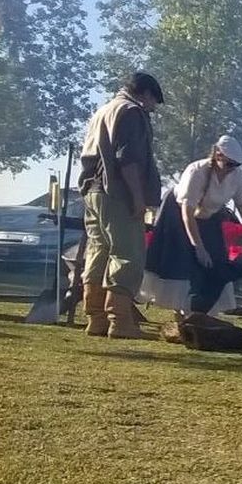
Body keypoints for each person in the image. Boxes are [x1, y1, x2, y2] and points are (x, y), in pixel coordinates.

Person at [77, 71, 165, 338]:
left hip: (93, 190)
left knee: (98, 252)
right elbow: (128, 160)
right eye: (154, 101)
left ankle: (96, 318)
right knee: (127, 254)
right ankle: (120, 321)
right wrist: (139, 200)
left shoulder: (103, 109)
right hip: (118, 192)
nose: (152, 108)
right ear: (146, 94)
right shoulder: (131, 112)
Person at [141, 135, 242, 315]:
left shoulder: (236, 176)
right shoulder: (196, 171)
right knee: (183, 259)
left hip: (210, 217)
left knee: (215, 262)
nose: (232, 169)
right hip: (177, 214)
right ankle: (182, 310)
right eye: (229, 164)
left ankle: (200, 309)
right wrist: (198, 247)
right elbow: (187, 212)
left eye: (236, 165)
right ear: (218, 155)